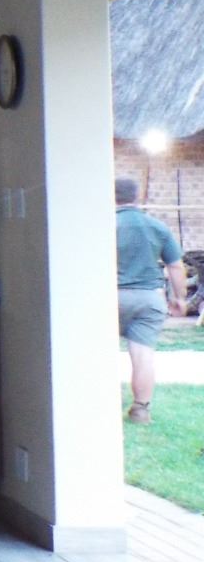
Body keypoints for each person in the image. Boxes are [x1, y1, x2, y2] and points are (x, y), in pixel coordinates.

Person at [116, 175, 185, 425]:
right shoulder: (157, 226)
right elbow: (175, 266)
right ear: (137, 196)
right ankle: (140, 410)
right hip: (148, 298)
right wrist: (179, 298)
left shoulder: (101, 225)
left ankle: (98, 404)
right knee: (142, 355)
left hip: (108, 297)